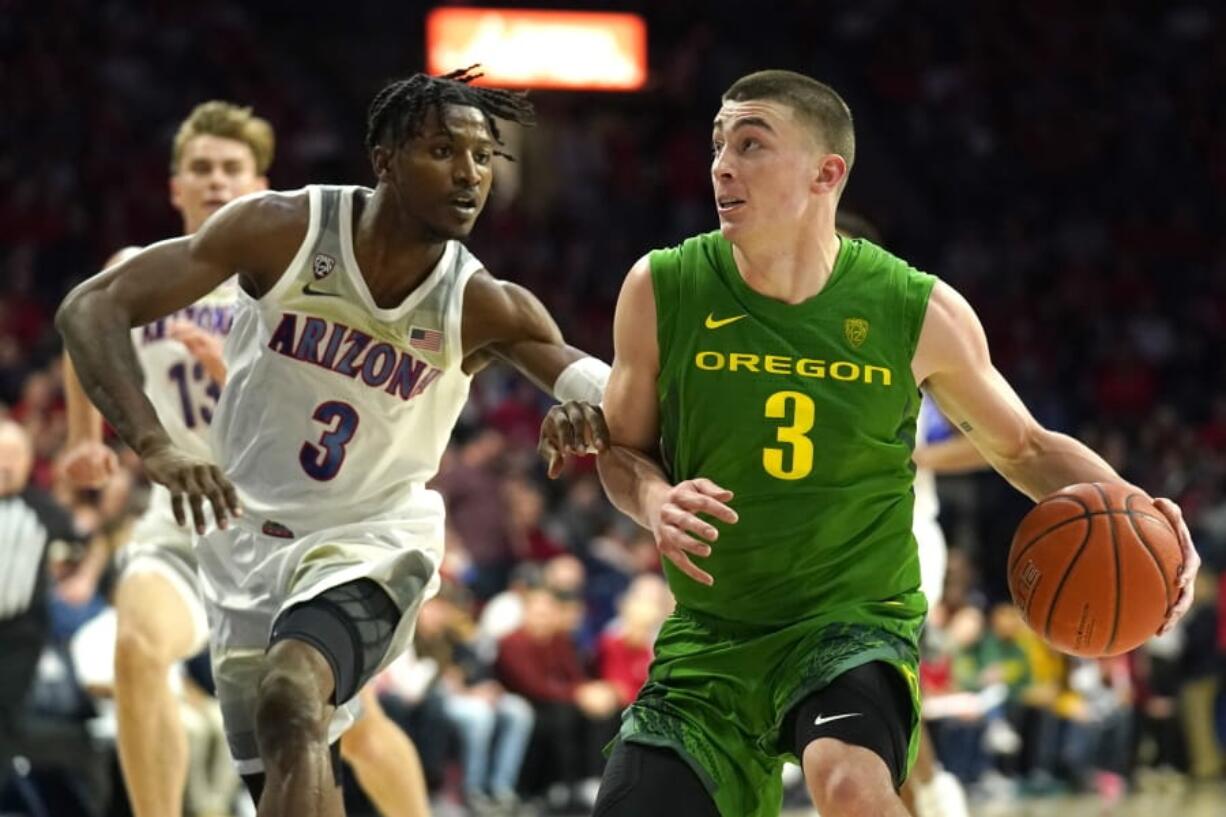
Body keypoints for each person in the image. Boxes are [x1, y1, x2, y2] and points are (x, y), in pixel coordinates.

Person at [580, 69, 1198, 817]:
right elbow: (619, 451)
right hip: (714, 631)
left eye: (750, 144)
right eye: (718, 144)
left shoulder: (916, 307)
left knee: (850, 785)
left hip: (852, 623)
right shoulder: (661, 286)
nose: (721, 165)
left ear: (826, 172)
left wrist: (1149, 518)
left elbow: (1027, 448)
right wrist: (653, 496)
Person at [56, 68, 609, 817]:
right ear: (384, 158)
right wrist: (153, 445)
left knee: (292, 693)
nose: (470, 174)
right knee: (292, 752)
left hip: (369, 540)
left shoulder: (481, 302)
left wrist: (590, 414)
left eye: (484, 158)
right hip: (241, 536)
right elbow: (89, 310)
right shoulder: (281, 229)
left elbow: (603, 387)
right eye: (444, 150)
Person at [58, 100, 433, 817]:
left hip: (283, 520)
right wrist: (84, 435)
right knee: (137, 644)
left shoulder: (294, 281)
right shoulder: (135, 271)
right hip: (185, 511)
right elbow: (84, 332)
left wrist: (234, 377)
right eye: (199, 168)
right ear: (175, 187)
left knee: (355, 726)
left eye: (231, 168)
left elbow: (326, 415)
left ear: (260, 182)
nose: (214, 180)